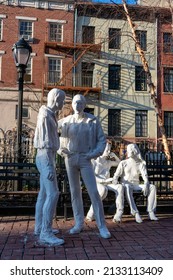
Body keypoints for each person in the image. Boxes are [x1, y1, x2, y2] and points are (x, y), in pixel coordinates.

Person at [58, 94, 111, 239]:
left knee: (93, 191)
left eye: (80, 103)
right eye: (75, 103)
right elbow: (59, 140)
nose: (77, 105)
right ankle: (78, 223)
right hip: (70, 158)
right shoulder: (67, 121)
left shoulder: (92, 120)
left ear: (84, 105)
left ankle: (102, 225)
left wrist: (94, 153)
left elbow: (102, 141)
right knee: (75, 192)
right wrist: (61, 150)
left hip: (85, 158)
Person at [34, 88, 65, 245]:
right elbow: (44, 143)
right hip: (45, 156)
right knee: (53, 194)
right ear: (56, 99)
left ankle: (39, 227)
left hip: (47, 156)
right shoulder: (45, 116)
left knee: (44, 194)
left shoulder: (49, 115)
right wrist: (48, 165)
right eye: (62, 100)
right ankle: (45, 232)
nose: (64, 103)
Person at [112, 143, 158, 223]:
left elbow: (145, 176)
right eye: (128, 150)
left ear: (135, 151)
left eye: (130, 150)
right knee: (127, 186)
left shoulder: (140, 164)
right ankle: (135, 212)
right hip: (126, 185)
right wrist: (115, 180)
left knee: (152, 187)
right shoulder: (123, 163)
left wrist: (146, 184)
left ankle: (151, 211)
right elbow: (116, 175)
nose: (128, 152)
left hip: (136, 185)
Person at [86, 141, 124, 223]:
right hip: (97, 183)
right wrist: (104, 180)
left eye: (110, 150)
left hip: (107, 183)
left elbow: (120, 163)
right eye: (107, 150)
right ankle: (91, 213)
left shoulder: (108, 162)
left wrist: (115, 156)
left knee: (120, 187)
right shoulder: (94, 161)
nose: (109, 152)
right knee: (103, 190)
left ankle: (119, 213)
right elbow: (91, 176)